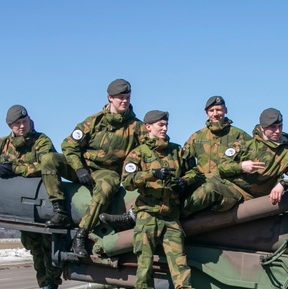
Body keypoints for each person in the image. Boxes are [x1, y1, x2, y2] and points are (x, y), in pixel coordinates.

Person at [100, 94, 249, 231]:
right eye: (212, 110)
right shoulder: (198, 137)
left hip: (225, 186)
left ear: (226, 110)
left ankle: (160, 215)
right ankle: (135, 214)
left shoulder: (239, 136)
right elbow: (183, 162)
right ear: (207, 113)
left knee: (207, 190)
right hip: (200, 183)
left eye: (219, 109)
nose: (216, 113)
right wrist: (180, 180)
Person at [0, 104, 70, 289]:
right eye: (17, 124)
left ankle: (53, 288)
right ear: (10, 125)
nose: (22, 127)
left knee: (49, 249)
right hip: (23, 209)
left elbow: (45, 165)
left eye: (24, 122)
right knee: (36, 251)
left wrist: (16, 168)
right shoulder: (2, 144)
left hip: (44, 204)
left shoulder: (41, 140)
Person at [122, 110, 210, 289]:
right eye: (159, 125)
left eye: (165, 124)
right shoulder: (138, 154)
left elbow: (195, 172)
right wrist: (153, 174)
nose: (164, 128)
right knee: (144, 262)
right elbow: (127, 180)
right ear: (148, 127)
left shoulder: (177, 152)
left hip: (170, 216)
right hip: (148, 215)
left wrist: (185, 182)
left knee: (179, 262)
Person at [62, 78, 143, 257]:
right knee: (50, 160)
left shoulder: (136, 127)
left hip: (107, 173)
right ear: (110, 98)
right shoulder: (94, 122)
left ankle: (81, 234)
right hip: (82, 169)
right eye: (120, 97)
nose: (124, 101)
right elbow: (69, 145)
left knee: (106, 187)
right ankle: (57, 209)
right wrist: (79, 168)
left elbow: (148, 149)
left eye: (127, 97)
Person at [182, 107, 288, 214]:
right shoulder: (245, 144)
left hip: (242, 194)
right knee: (192, 183)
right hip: (226, 183)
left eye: (280, 126)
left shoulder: (287, 154)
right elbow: (222, 167)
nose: (277, 131)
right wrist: (241, 166)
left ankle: (176, 216)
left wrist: (284, 184)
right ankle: (170, 215)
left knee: (208, 190)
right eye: (273, 127)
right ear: (263, 127)